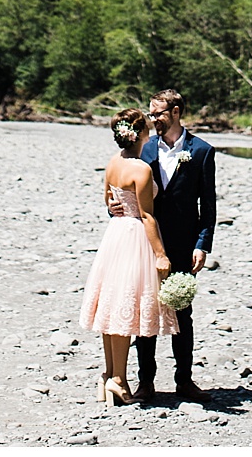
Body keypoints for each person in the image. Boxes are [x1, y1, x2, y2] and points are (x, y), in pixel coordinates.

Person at [79, 108, 177, 405]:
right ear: (141, 135)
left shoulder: (113, 163)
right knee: (123, 307)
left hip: (115, 234)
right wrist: (161, 255)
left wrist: (114, 207)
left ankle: (109, 375)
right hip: (134, 235)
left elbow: (109, 200)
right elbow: (147, 216)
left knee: (111, 306)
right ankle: (119, 381)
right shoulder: (141, 169)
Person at [130, 87, 217, 404]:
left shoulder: (202, 151)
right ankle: (145, 384)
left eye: (158, 114)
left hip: (183, 243)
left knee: (183, 312)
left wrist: (202, 244)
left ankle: (185, 381)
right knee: (146, 313)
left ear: (177, 113)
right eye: (151, 114)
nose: (153, 119)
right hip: (147, 243)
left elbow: (208, 205)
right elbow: (128, 191)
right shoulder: (144, 148)